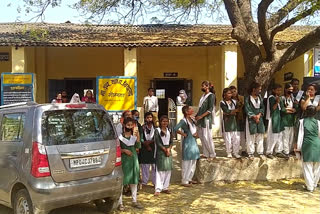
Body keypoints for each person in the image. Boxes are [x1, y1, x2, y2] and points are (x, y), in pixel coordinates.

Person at [118, 117, 143, 210]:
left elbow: (138, 146)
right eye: (128, 125)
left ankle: (134, 200)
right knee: (122, 182)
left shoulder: (134, 136)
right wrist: (124, 150)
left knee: (134, 181)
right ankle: (120, 203)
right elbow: (117, 149)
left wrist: (138, 136)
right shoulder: (120, 137)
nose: (129, 126)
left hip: (133, 160)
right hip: (124, 161)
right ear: (124, 125)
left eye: (131, 125)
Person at [295, 105, 320, 192]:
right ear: (315, 113)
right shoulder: (318, 122)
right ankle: (314, 184)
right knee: (317, 166)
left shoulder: (302, 122)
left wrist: (297, 147)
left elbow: (298, 135)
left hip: (307, 144)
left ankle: (310, 187)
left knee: (307, 166)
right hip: (317, 144)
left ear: (306, 112)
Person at [174, 105, 200, 187]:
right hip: (188, 142)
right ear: (186, 111)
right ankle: (184, 180)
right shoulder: (183, 121)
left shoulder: (192, 119)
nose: (192, 110)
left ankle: (189, 178)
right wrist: (183, 134)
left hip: (193, 141)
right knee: (187, 162)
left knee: (193, 161)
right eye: (190, 109)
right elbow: (175, 128)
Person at [195, 81, 216, 159]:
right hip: (201, 120)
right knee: (202, 136)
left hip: (206, 119)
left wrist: (201, 116)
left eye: (203, 86)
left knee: (207, 137)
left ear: (207, 87)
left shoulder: (211, 96)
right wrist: (196, 116)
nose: (201, 87)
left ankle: (212, 153)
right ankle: (205, 153)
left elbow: (210, 109)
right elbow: (200, 108)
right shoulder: (203, 96)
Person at [244, 82, 265, 160]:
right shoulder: (247, 98)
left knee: (260, 135)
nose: (260, 91)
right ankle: (250, 153)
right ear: (254, 89)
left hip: (259, 119)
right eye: (259, 89)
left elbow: (262, 107)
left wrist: (259, 115)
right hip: (251, 120)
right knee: (250, 136)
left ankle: (260, 152)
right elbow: (247, 109)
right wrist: (254, 116)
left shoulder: (260, 97)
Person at [266, 84, 287, 159]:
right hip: (273, 118)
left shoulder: (280, 98)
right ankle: (269, 151)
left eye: (280, 90)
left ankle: (278, 151)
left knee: (280, 135)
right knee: (273, 136)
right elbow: (272, 109)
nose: (279, 92)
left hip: (279, 118)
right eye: (278, 90)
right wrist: (277, 102)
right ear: (273, 90)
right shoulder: (271, 98)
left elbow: (282, 109)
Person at [154, 115, 173, 196]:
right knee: (160, 170)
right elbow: (158, 142)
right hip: (161, 151)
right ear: (160, 122)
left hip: (168, 150)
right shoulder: (157, 130)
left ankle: (166, 187)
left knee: (168, 170)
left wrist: (169, 149)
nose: (165, 123)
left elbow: (171, 141)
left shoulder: (169, 130)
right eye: (163, 121)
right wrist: (165, 150)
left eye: (166, 121)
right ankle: (158, 188)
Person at [220, 88, 241, 158]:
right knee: (228, 138)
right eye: (228, 93)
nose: (230, 95)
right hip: (227, 122)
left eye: (230, 93)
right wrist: (232, 112)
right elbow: (226, 111)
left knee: (236, 138)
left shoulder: (234, 101)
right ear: (224, 94)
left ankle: (236, 152)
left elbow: (238, 109)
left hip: (234, 122)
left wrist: (231, 112)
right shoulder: (222, 103)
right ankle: (229, 152)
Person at [138, 112, 156, 187]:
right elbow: (140, 138)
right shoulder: (142, 128)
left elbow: (157, 138)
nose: (149, 119)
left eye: (150, 117)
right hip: (144, 149)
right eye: (147, 117)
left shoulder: (155, 128)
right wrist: (145, 144)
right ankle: (144, 182)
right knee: (145, 167)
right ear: (145, 119)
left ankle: (155, 182)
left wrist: (150, 142)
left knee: (154, 167)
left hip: (153, 149)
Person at [281, 83, 298, 156]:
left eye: (292, 90)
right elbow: (282, 109)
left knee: (291, 136)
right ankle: (286, 151)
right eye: (289, 90)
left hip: (291, 120)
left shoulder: (292, 98)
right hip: (284, 120)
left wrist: (294, 107)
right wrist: (290, 110)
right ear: (285, 89)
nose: (291, 91)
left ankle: (290, 150)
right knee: (285, 136)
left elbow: (295, 109)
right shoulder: (282, 98)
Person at [230, 85, 246, 156]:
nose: (234, 93)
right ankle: (235, 151)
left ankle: (244, 150)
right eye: (232, 92)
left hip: (241, 118)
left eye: (235, 91)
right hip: (234, 120)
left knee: (242, 135)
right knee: (236, 136)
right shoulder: (229, 100)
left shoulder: (242, 98)